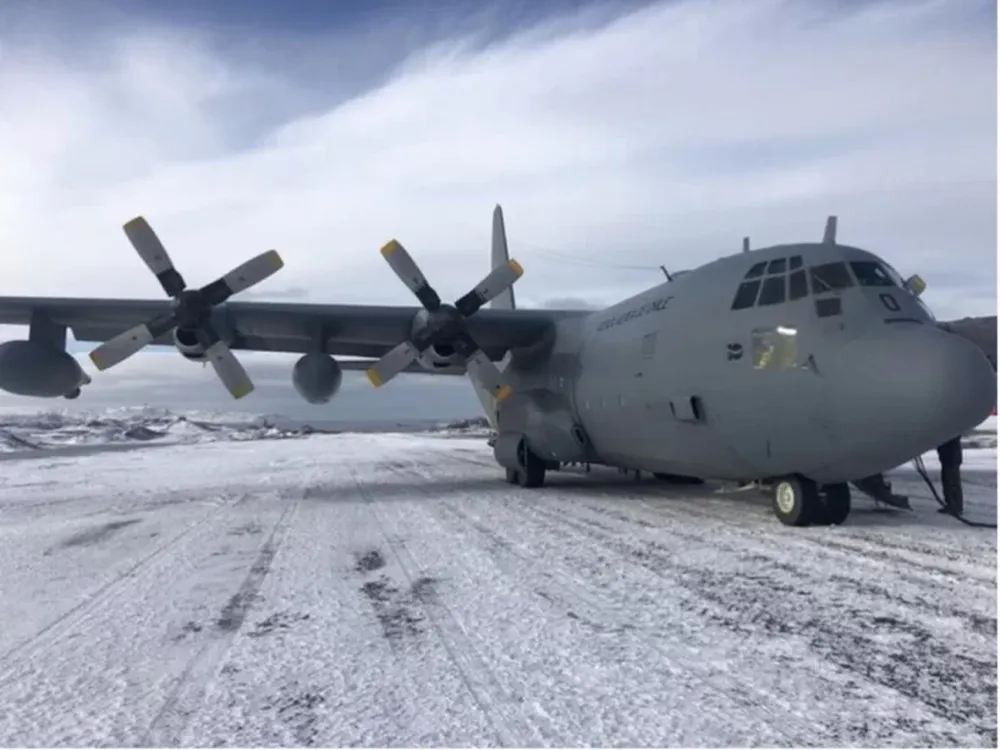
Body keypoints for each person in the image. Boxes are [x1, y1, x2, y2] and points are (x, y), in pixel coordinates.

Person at [936, 436, 964, 516]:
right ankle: (952, 504)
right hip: (948, 459)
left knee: (952, 482)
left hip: (951, 459)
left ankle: (955, 506)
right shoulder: (950, 434)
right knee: (948, 482)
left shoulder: (951, 436)